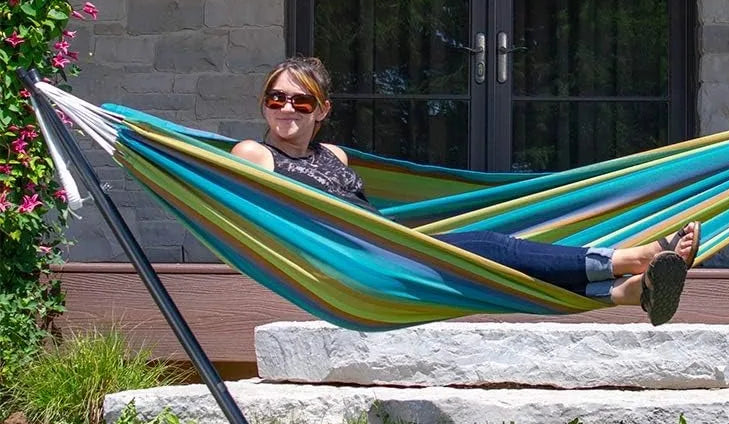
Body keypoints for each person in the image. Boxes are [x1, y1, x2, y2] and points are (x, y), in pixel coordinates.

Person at [232, 57, 699, 326]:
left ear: (322, 110)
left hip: (383, 245)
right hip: (349, 264)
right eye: (276, 98)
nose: (287, 108)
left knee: (488, 260)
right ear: (264, 105)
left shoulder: (335, 155)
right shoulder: (254, 154)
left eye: (301, 100)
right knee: (486, 247)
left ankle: (629, 291)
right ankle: (634, 258)